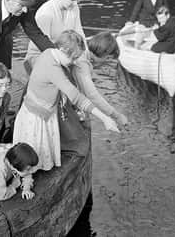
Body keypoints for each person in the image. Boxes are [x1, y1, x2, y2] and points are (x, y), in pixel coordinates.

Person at [25, 0, 128, 127]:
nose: (76, 3)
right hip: (41, 56)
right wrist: (68, 62)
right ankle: (86, 108)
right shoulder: (45, 13)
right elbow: (41, 46)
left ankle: (80, 106)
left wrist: (84, 58)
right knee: (76, 82)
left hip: (67, 52)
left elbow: (79, 33)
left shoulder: (74, 7)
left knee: (83, 72)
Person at [14, 30, 119, 171]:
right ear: (63, 50)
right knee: (32, 156)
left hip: (41, 109)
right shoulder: (53, 68)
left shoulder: (49, 53)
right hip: (37, 116)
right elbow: (76, 96)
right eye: (74, 58)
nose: (74, 62)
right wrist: (105, 118)